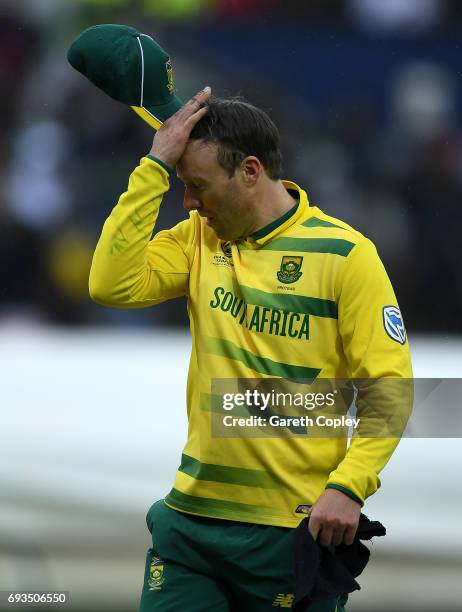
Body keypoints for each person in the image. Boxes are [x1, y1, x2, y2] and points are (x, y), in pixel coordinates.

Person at [89, 87, 412, 611]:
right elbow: (111, 284)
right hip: (190, 526)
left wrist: (349, 487)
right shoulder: (199, 238)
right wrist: (153, 167)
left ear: (250, 171)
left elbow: (390, 389)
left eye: (197, 186)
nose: (189, 202)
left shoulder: (346, 255)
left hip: (290, 530)